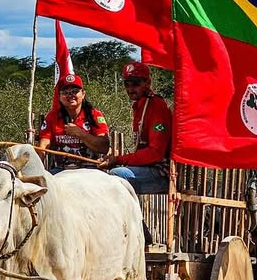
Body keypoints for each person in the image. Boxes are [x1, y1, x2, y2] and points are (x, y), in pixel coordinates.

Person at [99, 61, 172, 194]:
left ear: (148, 83)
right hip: (145, 168)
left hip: (162, 173)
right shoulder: (138, 106)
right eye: (127, 84)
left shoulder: (156, 106)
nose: (131, 89)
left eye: (136, 84)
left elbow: (155, 153)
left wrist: (118, 159)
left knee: (116, 175)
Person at [37, 73, 110, 174]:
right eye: (65, 93)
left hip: (90, 169)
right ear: (59, 97)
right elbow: (43, 146)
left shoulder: (95, 115)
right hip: (60, 170)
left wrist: (81, 134)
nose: (70, 95)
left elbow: (104, 147)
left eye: (75, 91)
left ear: (83, 94)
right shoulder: (52, 116)